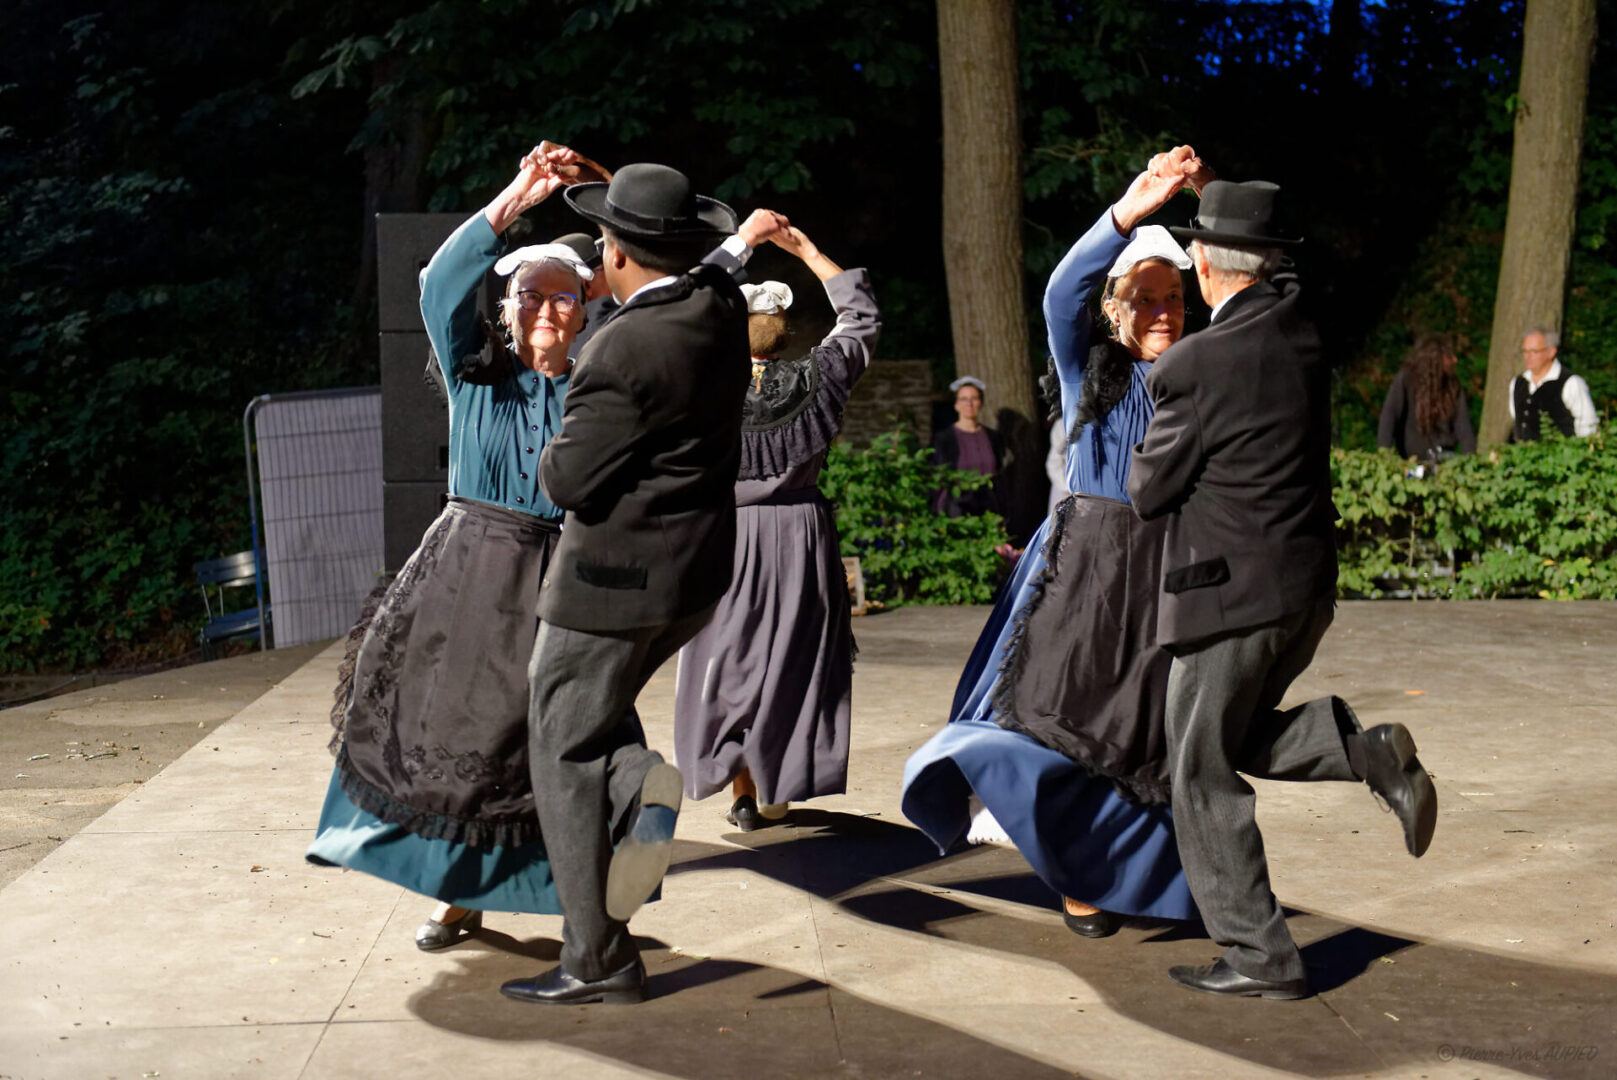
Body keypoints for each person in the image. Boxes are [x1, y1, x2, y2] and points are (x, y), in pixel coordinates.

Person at [1129, 179, 1438, 1000]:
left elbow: (1147, 491)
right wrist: (1230, 209)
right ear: (1269, 264)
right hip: (1303, 589)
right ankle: (1366, 753)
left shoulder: (1191, 365)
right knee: (1227, 738)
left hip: (1226, 595)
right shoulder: (1300, 330)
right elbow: (1277, 277)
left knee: (1196, 767)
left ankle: (1259, 957)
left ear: (1200, 263)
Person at [902, 146, 1212, 940]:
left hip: (1165, 574)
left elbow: (1262, 304)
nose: (1160, 312)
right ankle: (1076, 876)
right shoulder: (1088, 372)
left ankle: (1138, 878)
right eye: (1142, 299)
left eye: (1173, 297)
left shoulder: (1207, 374)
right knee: (1060, 721)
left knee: (1144, 735)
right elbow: (1057, 294)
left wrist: (1212, 207)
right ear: (1112, 308)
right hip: (1086, 571)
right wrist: (1130, 211)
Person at [308, 142, 605, 950]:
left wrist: (607, 193)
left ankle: (577, 903)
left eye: (565, 298)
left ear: (586, 310)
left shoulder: (598, 384)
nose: (548, 309)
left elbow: (656, 299)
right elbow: (438, 283)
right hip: (468, 572)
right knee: (456, 738)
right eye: (531, 297)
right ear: (505, 312)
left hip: (558, 577)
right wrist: (520, 193)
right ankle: (454, 893)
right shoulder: (476, 379)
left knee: (553, 739)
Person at [498, 163, 751, 1006]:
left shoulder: (620, 348)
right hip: (692, 578)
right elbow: (715, 265)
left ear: (612, 251)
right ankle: (630, 782)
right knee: (593, 722)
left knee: (562, 744)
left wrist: (551, 429)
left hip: (609, 584)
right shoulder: (716, 307)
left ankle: (596, 957)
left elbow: (566, 480)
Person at [673, 225, 881, 831]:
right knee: (791, 662)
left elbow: (669, 316)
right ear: (784, 329)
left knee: (730, 662)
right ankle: (772, 784)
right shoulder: (820, 376)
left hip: (727, 535)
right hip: (799, 538)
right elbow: (860, 319)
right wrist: (812, 254)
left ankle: (744, 786)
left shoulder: (702, 384)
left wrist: (736, 247)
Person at [1377, 332, 1476, 460]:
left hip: (1445, 458)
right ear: (1436, 358)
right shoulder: (1406, 379)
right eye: (1449, 356)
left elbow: (1464, 430)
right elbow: (1389, 418)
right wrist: (1385, 458)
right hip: (1412, 461)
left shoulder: (1453, 386)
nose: (1455, 360)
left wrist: (1471, 461)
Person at [931, 377, 1004, 516]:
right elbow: (939, 479)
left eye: (974, 398)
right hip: (958, 510)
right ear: (956, 404)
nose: (969, 404)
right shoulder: (944, 439)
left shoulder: (993, 437)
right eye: (963, 399)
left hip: (990, 510)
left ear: (981, 402)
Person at [1510, 327, 1598, 441]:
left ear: (1551, 352)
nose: (1528, 357)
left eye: (1534, 351)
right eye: (1525, 351)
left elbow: (1588, 427)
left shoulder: (1571, 384)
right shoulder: (1517, 383)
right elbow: (1517, 421)